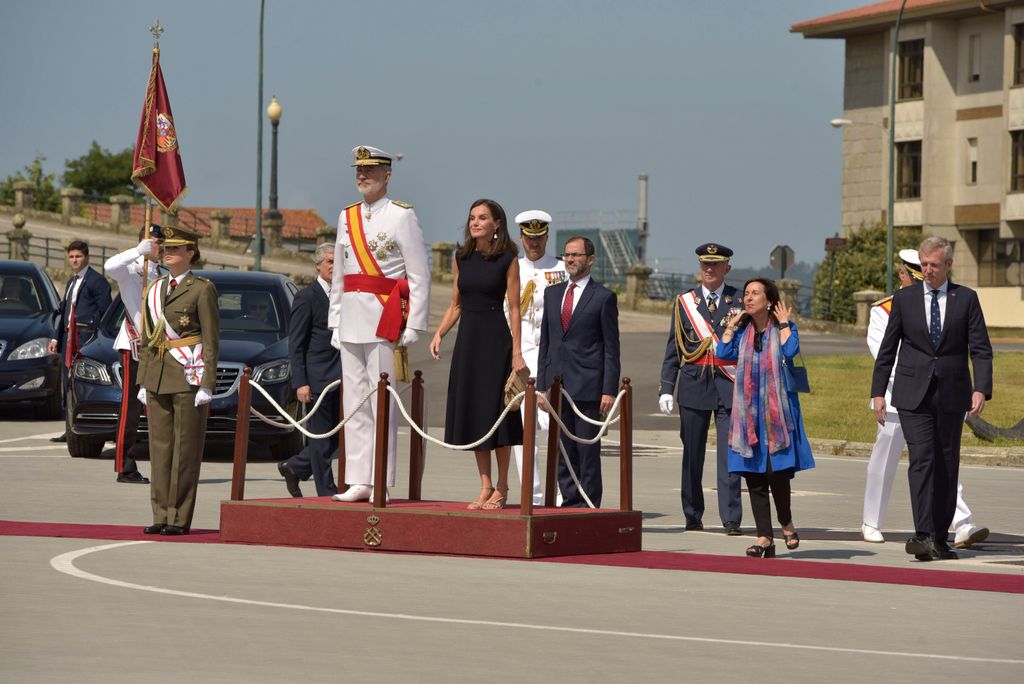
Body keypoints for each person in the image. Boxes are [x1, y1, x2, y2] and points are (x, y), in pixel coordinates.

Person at [871, 236, 993, 562]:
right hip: (913, 394)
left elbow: (980, 349)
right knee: (922, 460)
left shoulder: (966, 299)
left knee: (947, 464)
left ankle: (941, 537)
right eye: (923, 265)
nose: (927, 271)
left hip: (953, 395)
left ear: (948, 265)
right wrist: (878, 393)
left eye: (934, 265)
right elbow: (887, 350)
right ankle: (923, 535)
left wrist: (981, 388)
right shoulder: (905, 299)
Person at [328, 146, 430, 503]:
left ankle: (381, 478)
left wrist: (414, 323)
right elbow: (339, 273)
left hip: (385, 316)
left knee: (380, 402)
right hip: (352, 317)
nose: (362, 175)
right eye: (358, 169)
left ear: (387, 175)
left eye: (370, 170)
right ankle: (359, 478)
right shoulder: (346, 216)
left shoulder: (402, 215)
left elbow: (418, 274)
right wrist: (335, 321)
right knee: (354, 402)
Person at [431, 199, 525, 510]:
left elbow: (514, 308)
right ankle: (484, 485)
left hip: (495, 342)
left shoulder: (508, 259)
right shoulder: (461, 257)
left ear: (497, 223)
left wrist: (517, 352)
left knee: (497, 415)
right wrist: (439, 333)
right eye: (472, 217)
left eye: (482, 218)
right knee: (474, 413)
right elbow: (455, 305)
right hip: (468, 343)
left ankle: (502, 485)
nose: (475, 222)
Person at [718, 278, 815, 558]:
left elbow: (790, 350)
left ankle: (786, 522)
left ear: (769, 300)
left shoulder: (782, 327)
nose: (748, 298)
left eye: (755, 293)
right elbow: (722, 353)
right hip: (748, 416)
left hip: (777, 415)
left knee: (777, 473)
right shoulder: (742, 331)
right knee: (753, 476)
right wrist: (732, 326)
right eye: (746, 294)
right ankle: (764, 537)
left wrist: (784, 324)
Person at [137, 226, 220, 535]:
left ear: (191, 253)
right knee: (159, 451)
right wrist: (144, 381)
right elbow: (148, 339)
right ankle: (159, 513)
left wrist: (207, 383)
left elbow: (211, 339)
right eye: (165, 247)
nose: (168, 251)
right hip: (157, 376)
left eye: (177, 247)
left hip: (187, 376)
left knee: (184, 451)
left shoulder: (201, 289)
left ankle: (178, 517)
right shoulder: (154, 289)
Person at [659, 243, 744, 534]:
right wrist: (666, 387)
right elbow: (674, 347)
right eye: (705, 264)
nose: (709, 269)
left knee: (730, 455)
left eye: (716, 264)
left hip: (728, 385)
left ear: (726, 269)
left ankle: (731, 518)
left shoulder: (739, 301)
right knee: (692, 455)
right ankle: (692, 514)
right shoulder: (685, 302)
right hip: (694, 383)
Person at [536, 235, 620, 508]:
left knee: (587, 450)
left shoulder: (603, 297)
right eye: (567, 255)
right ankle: (569, 500)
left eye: (576, 255)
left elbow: (610, 348)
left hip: (588, 386)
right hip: (557, 386)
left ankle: (589, 503)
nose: (570, 259)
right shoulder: (552, 294)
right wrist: (541, 385)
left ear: (590, 260)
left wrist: (608, 389)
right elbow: (546, 343)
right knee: (563, 450)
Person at [505, 209, 567, 505]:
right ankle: (535, 493)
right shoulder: (512, 268)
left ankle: (560, 489)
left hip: (552, 357)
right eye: (530, 238)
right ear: (521, 238)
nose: (535, 244)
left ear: (546, 236)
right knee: (524, 429)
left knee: (552, 425)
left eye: (540, 237)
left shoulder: (561, 269)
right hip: (521, 357)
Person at [103, 224, 167, 485]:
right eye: (153, 242)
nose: (158, 247)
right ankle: (125, 466)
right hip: (133, 344)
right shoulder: (130, 270)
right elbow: (109, 267)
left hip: (157, 346)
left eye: (160, 243)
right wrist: (136, 251)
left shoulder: (162, 273)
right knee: (130, 408)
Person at [278, 244, 341, 498]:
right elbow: (296, 344)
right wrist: (300, 382)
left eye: (337, 262)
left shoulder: (344, 295)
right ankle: (326, 491)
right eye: (329, 262)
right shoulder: (307, 297)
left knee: (337, 436)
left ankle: (294, 467)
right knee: (321, 437)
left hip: (342, 376)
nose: (333, 266)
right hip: (317, 378)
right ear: (318, 265)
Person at [49, 240, 112, 443]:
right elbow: (65, 313)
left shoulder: (97, 281)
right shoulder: (71, 282)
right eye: (71, 257)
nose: (75, 260)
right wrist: (55, 338)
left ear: (87, 257)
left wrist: (98, 340)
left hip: (85, 339)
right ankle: (68, 429)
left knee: (79, 383)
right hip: (68, 338)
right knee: (66, 383)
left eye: (78, 256)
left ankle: (79, 427)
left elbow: (105, 313)